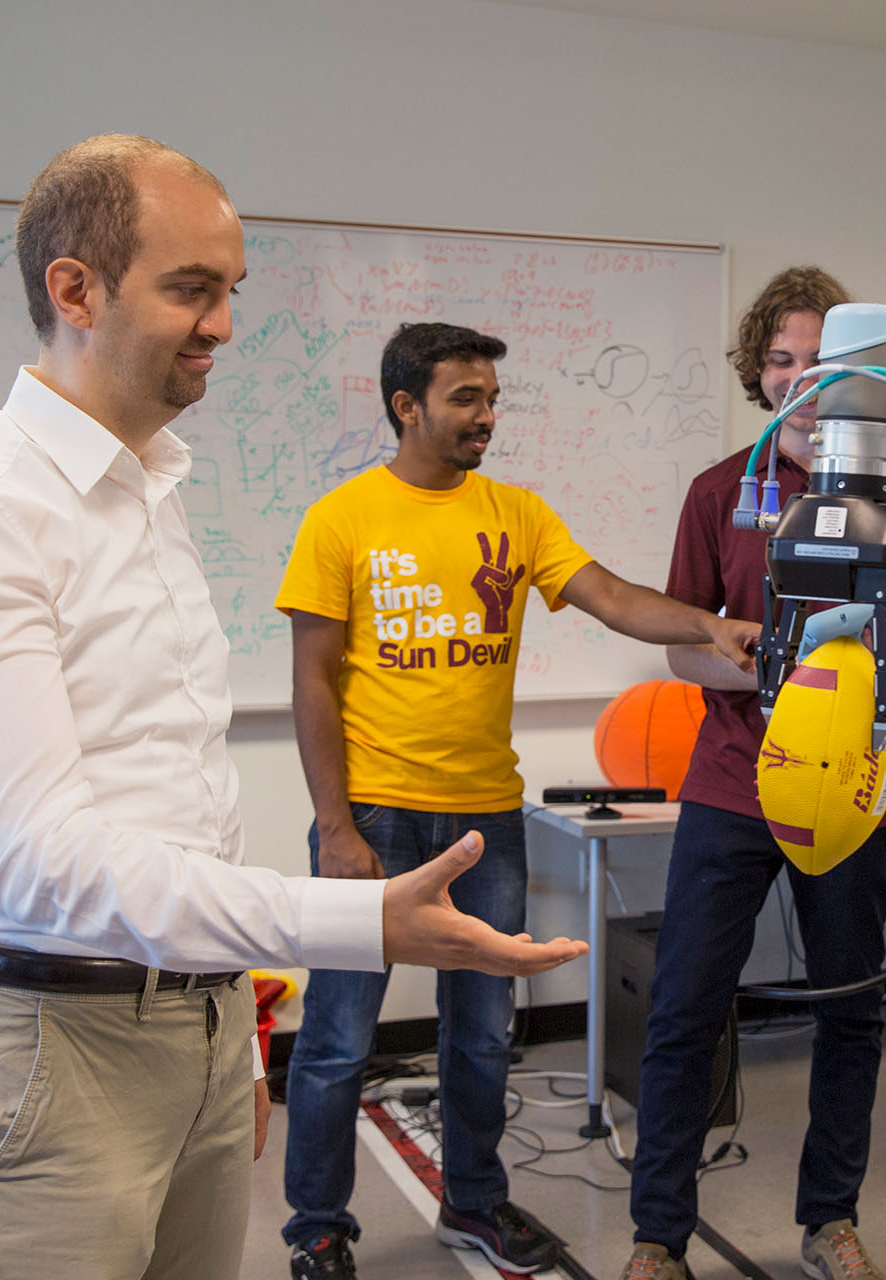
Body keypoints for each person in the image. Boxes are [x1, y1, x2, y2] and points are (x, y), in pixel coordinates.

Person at [0, 135, 586, 1280]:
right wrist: (354, 919)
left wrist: (236, 1041)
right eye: (191, 288)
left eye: (230, 291)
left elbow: (173, 794)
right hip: (48, 1051)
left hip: (191, 1031)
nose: (223, 325)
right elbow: (47, 862)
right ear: (74, 288)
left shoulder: (149, 492)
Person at [276, 322, 760, 1279]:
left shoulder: (517, 512)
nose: (486, 417)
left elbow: (614, 598)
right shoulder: (342, 519)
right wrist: (335, 827)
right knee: (336, 1038)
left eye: (492, 398)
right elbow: (313, 681)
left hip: (485, 818)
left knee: (484, 1034)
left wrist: (709, 621)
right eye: (466, 398)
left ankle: (477, 1203)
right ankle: (318, 1228)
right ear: (406, 406)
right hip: (373, 814)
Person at [620, 267, 886, 1280]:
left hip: (855, 785)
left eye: (824, 359)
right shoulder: (722, 491)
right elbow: (678, 642)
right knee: (685, 1005)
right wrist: (738, 648)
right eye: (782, 358)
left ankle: (830, 1220)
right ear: (759, 376)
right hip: (732, 779)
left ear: (862, 375)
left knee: (851, 1005)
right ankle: (656, 1236)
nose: (803, 376)